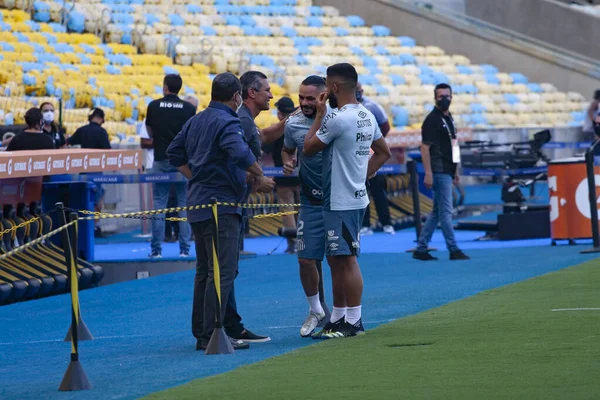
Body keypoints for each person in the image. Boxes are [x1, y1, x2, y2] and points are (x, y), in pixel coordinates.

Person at [167, 72, 275, 351]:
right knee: (223, 271)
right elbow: (238, 152)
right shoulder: (227, 121)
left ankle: (202, 333)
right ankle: (214, 333)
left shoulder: (196, 119)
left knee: (204, 271)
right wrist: (260, 176)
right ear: (238, 96)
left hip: (198, 203)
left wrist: (196, 177)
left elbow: (174, 152)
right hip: (222, 205)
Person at [303, 63, 392, 339]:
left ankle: (354, 321)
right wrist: (361, 176)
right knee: (337, 259)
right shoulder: (365, 113)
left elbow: (307, 147)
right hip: (349, 196)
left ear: (334, 87)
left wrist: (319, 115)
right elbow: (384, 152)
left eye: (327, 85)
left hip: (341, 200)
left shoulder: (339, 118)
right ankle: (339, 318)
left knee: (347, 259)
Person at [282, 75, 331, 336]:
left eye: (310, 98)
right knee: (305, 259)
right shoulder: (293, 123)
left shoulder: (340, 118)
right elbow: (287, 149)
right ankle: (316, 309)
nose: (303, 102)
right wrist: (288, 162)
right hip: (310, 201)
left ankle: (347, 316)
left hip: (340, 201)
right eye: (301, 97)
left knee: (340, 261)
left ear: (324, 96)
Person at [412, 83, 470, 262]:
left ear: (452, 96)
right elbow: (424, 148)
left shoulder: (449, 117)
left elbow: (454, 144)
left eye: (447, 95)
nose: (445, 99)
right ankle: (453, 248)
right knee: (446, 211)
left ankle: (421, 248)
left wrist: (456, 169)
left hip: (447, 169)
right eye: (441, 96)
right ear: (435, 98)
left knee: (437, 212)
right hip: (438, 170)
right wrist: (428, 172)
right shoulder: (432, 120)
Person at [145, 74, 196, 258]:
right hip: (182, 162)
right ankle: (185, 250)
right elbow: (192, 134)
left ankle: (156, 250)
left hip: (160, 159)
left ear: (165, 87)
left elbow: (150, 131)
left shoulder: (154, 106)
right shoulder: (189, 108)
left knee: (159, 205)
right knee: (184, 205)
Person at [355, 83, 395, 236]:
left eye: (358, 91)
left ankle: (387, 223)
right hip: (357, 157)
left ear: (362, 91)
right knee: (361, 192)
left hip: (373, 155)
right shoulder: (345, 108)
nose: (357, 94)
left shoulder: (372, 106)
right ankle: (365, 225)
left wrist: (375, 142)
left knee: (378, 191)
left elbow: (385, 127)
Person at [68, 107, 112, 237]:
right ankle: (95, 226)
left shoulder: (82, 130)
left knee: (86, 197)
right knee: (97, 198)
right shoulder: (101, 132)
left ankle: (86, 227)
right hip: (96, 170)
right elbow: (108, 151)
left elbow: (68, 142)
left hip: (83, 169)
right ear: (101, 118)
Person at [266, 96, 300, 254]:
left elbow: (266, 147)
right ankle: (304, 240)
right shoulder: (299, 125)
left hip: (283, 176)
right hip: (302, 176)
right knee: (302, 209)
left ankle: (293, 241)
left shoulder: (277, 129)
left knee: (287, 211)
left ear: (279, 113)